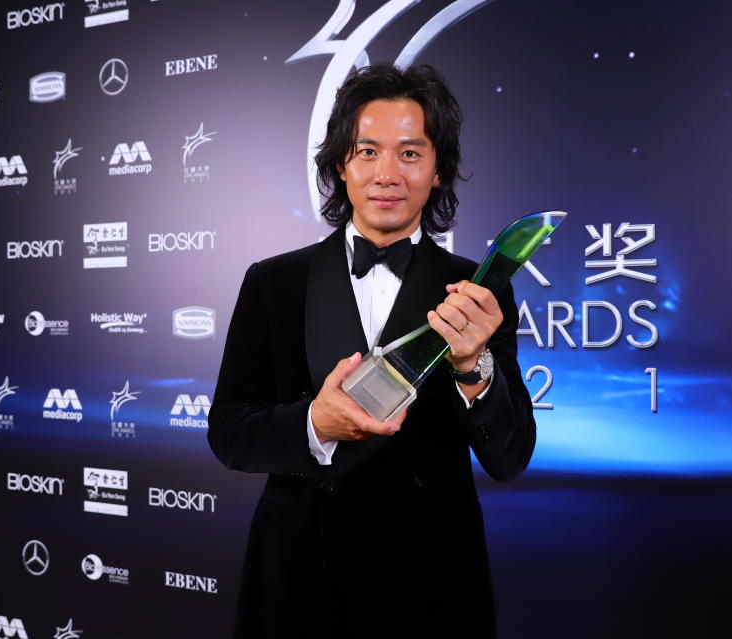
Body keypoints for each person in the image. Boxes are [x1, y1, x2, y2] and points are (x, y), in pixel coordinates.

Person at [208, 63, 535, 638]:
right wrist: (315, 422)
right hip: (301, 578)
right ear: (341, 164)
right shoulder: (273, 282)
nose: (387, 174)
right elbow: (230, 432)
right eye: (367, 151)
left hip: (432, 582)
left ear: (438, 171)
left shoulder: (478, 289)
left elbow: (509, 458)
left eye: (410, 154)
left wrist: (472, 367)